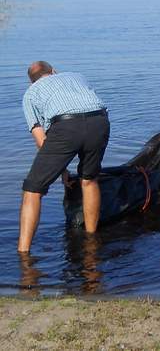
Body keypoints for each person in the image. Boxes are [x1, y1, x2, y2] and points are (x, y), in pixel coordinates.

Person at [19, 62, 110, 253]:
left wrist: (62, 171)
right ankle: (91, 239)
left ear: (31, 82)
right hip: (99, 121)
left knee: (33, 190)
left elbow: (41, 139)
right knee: (89, 180)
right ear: (53, 71)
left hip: (65, 127)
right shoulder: (76, 75)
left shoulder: (31, 93)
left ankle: (23, 253)